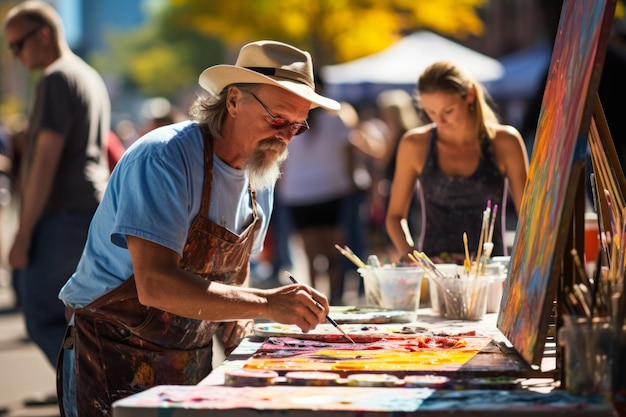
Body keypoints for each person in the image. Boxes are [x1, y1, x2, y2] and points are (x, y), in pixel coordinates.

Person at [57, 40, 340, 417]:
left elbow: (230, 285)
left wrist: (265, 355)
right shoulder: (165, 157)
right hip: (113, 353)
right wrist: (269, 304)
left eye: (297, 126)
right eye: (277, 120)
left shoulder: (261, 176)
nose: (286, 136)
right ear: (234, 100)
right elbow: (155, 284)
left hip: (190, 361)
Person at [3, 0, 111, 378]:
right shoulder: (87, 75)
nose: (16, 56)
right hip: (89, 211)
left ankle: (89, 392)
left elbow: (44, 162)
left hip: (62, 215)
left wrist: (23, 234)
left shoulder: (55, 79)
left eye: (18, 45)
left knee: (40, 314)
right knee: (77, 316)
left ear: (44, 34)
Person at [385, 61, 529, 263]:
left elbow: (529, 216)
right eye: (431, 112)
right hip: (436, 272)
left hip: (490, 274)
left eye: (448, 111)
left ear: (469, 95)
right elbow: (395, 216)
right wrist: (411, 256)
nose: (439, 121)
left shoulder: (505, 142)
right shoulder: (415, 144)